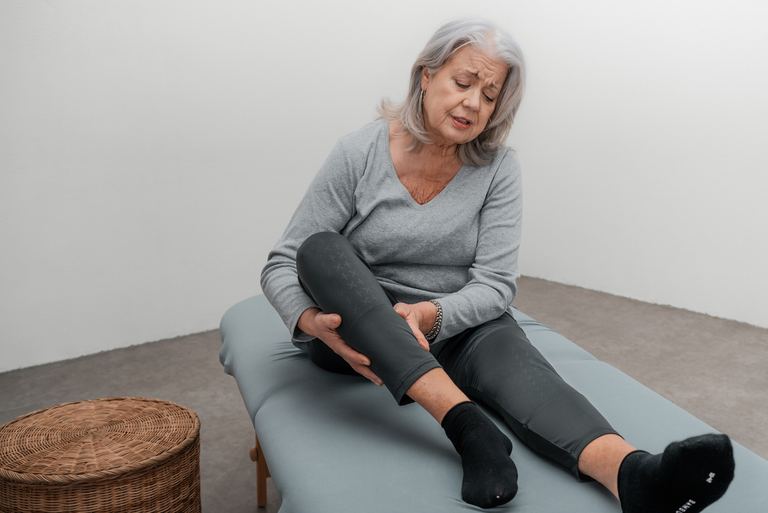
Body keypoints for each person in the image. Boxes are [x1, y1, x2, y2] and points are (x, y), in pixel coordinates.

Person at [261, 18, 734, 511]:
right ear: (426, 75)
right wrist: (312, 323)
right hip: (359, 329)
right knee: (319, 249)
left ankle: (636, 477)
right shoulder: (359, 151)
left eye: (489, 95)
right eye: (462, 82)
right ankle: (470, 430)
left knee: (530, 377)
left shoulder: (499, 169)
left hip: (452, 323)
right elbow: (282, 262)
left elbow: (495, 285)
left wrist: (430, 316)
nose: (473, 103)